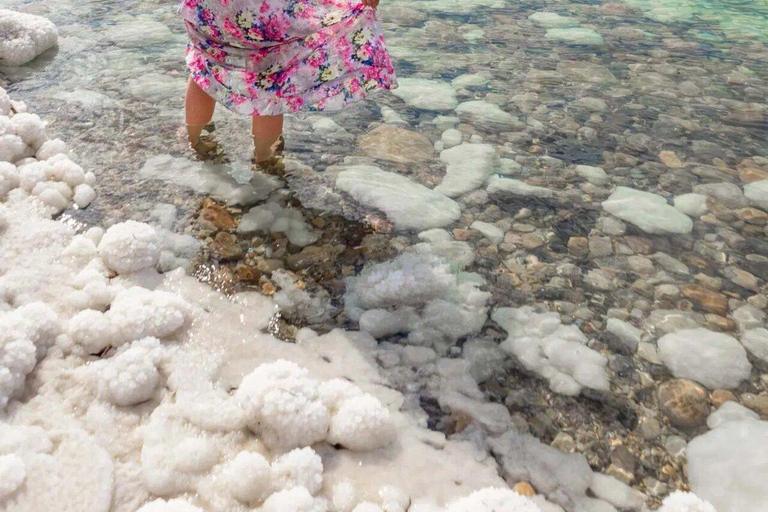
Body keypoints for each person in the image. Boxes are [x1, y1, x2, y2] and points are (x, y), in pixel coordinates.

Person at [179, 0, 397, 162]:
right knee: (270, 79)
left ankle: (195, 141)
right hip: (262, 12)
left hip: (208, 8)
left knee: (205, 64)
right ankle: (265, 160)